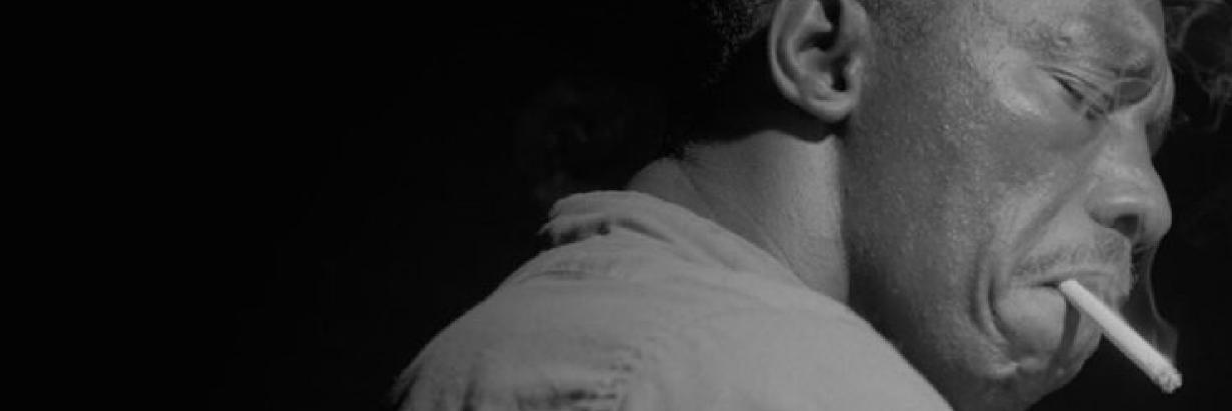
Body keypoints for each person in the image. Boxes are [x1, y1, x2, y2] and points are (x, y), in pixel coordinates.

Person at [395, 0, 1181, 409]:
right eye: (1081, 89)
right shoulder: (760, 376)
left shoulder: (567, 329)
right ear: (826, 58)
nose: (1149, 202)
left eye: (1149, 140)